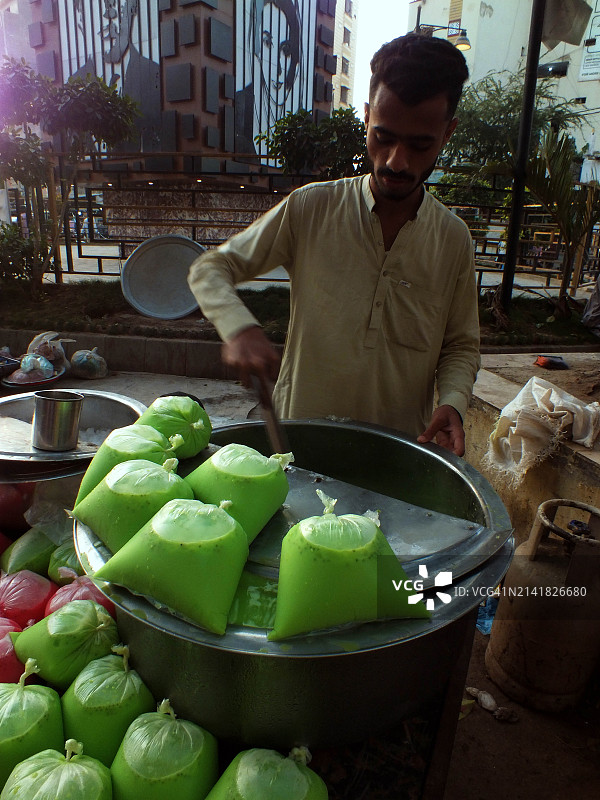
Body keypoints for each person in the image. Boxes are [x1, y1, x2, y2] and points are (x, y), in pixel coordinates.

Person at [189, 33, 480, 456]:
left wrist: (453, 401)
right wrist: (239, 328)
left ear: (447, 133)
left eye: (420, 145)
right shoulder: (312, 208)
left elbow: (460, 345)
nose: (396, 161)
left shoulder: (453, 239)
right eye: (383, 137)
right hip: (297, 442)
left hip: (398, 453)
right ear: (366, 118)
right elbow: (210, 268)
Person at [235, 0, 303, 156]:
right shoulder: (238, 107)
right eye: (267, 43)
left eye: (285, 50)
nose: (277, 68)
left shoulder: (305, 126)